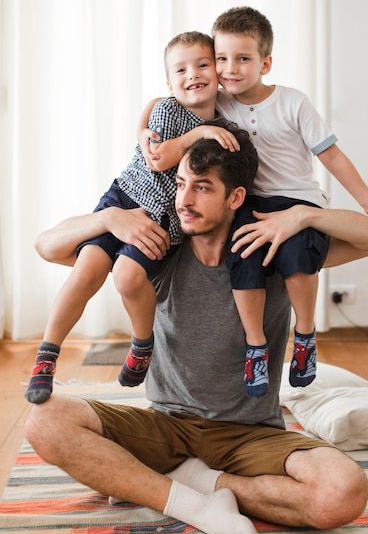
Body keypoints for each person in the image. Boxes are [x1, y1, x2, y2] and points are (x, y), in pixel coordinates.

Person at [25, 125, 368, 534]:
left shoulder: (271, 251)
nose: (184, 199)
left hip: (250, 435)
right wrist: (107, 217)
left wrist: (303, 215)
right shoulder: (158, 252)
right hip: (165, 425)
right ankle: (193, 504)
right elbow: (47, 246)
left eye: (202, 188)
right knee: (43, 422)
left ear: (235, 197)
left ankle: (194, 481)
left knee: (343, 492)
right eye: (181, 184)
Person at [25, 31, 240, 405]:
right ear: (170, 82)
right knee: (88, 267)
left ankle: (142, 343)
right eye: (182, 69)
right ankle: (47, 356)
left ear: (219, 71)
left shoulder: (225, 121)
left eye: (203, 64)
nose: (194, 73)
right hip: (124, 197)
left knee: (127, 276)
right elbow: (159, 158)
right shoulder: (170, 110)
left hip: (164, 217)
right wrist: (200, 132)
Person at [210, 6, 368, 395]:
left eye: (243, 58)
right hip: (252, 202)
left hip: (299, 201)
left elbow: (330, 155)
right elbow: (166, 103)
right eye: (222, 58)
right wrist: (145, 128)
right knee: (243, 252)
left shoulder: (293, 102)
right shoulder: (218, 103)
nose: (230, 68)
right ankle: (256, 346)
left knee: (297, 253)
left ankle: (305, 335)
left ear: (265, 63)